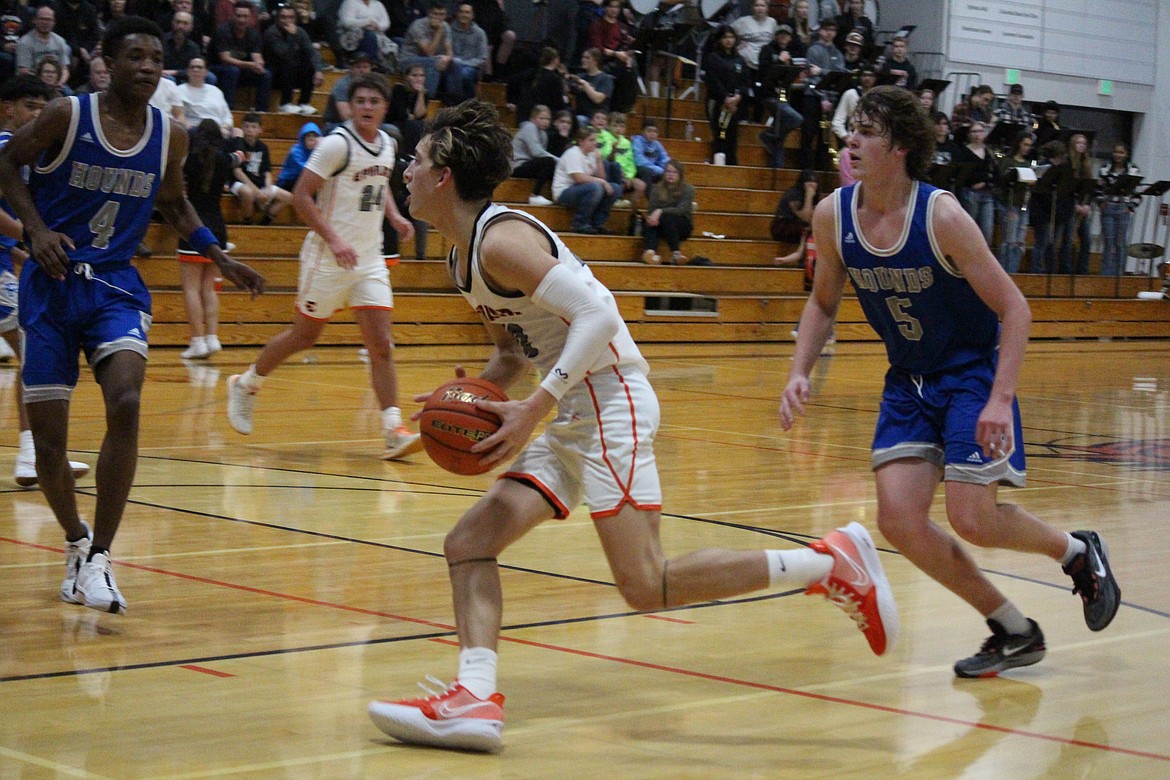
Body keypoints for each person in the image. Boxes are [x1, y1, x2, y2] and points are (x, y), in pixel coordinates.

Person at [367, 99, 898, 753]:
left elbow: (599, 314)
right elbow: (511, 352)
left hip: (609, 400)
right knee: (469, 542)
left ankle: (826, 563)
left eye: (416, 161)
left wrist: (535, 407)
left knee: (647, 584)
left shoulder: (502, 238)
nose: (407, 172)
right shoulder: (461, 255)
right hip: (571, 411)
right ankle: (475, 699)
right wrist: (455, 411)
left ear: (443, 174)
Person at [780, 85, 1120, 680]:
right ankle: (1014, 629)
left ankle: (1076, 551)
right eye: (852, 128)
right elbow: (822, 302)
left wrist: (999, 398)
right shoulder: (835, 213)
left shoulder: (940, 216)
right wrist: (798, 372)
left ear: (902, 147)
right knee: (899, 521)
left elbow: (1016, 309)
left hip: (970, 375)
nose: (852, 140)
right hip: (908, 381)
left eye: (868, 131)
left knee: (972, 516)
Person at [0, 15, 264, 614]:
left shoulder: (171, 135)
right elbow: (5, 164)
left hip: (115, 285)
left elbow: (173, 202)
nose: (147, 66)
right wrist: (36, 229)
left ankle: (101, 558)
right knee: (48, 444)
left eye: (156, 57)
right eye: (135, 56)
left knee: (126, 399)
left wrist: (222, 256)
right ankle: (74, 542)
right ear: (108, 62)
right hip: (51, 285)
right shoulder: (68, 115)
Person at [226, 73, 423, 462]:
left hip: (369, 260)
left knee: (382, 346)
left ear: (385, 107)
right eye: (360, 100)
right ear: (350, 106)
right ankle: (246, 384)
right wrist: (334, 239)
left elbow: (378, 190)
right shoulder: (336, 144)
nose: (367, 107)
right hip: (327, 258)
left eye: (374, 101)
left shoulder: (387, 144)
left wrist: (396, 217)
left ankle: (393, 429)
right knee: (304, 337)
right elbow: (300, 196)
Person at [0, 74, 92, 488]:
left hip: (5, 263)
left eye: (42, 104)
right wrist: (33, 234)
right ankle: (32, 454)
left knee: (32, 353)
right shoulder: (6, 147)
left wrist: (23, 249)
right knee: (34, 351)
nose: (37, 112)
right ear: (8, 109)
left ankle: (33, 453)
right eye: (29, 104)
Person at [178, 118, 244, 359]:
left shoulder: (190, 159)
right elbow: (240, 155)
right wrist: (235, 136)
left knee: (191, 288)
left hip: (193, 226)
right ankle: (212, 337)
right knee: (210, 287)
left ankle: (197, 341)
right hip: (218, 226)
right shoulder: (225, 160)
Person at [229, 112, 292, 224]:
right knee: (248, 193)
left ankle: (266, 220)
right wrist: (257, 192)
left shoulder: (263, 147)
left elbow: (267, 172)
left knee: (288, 197)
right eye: (246, 126)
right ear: (242, 128)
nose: (250, 130)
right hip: (239, 183)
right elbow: (237, 172)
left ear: (260, 130)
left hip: (259, 184)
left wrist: (268, 189)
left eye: (253, 127)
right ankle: (247, 222)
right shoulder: (238, 144)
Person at [552, 126, 616, 234]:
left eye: (595, 140)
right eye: (591, 140)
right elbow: (578, 178)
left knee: (615, 188)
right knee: (596, 187)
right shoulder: (573, 153)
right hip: (564, 192)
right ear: (581, 141)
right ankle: (579, 223)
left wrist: (599, 160)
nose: (595, 143)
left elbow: (602, 178)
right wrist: (603, 182)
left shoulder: (592, 154)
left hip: (581, 189)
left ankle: (598, 223)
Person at [210, 1, 271, 111]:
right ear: (233, 16)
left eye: (245, 16)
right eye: (238, 16)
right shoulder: (222, 31)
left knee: (266, 74)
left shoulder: (253, 33)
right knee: (233, 71)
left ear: (251, 18)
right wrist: (251, 64)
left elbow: (256, 55)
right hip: (218, 68)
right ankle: (229, 109)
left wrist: (259, 65)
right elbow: (225, 59)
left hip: (241, 70)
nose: (241, 20)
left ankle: (261, 111)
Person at [263, 3, 323, 115]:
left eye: (290, 17)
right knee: (288, 63)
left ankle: (304, 103)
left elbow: (312, 51)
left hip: (292, 73)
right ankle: (285, 103)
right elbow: (284, 54)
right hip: (274, 73)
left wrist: (319, 70)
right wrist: (292, 36)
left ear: (296, 19)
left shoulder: (299, 31)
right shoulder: (271, 32)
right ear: (277, 18)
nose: (287, 21)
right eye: (283, 17)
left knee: (308, 64)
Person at [703, 25, 748, 166]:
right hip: (717, 103)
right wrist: (725, 99)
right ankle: (718, 165)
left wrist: (738, 97)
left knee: (732, 136)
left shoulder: (740, 60)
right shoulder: (713, 58)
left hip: (735, 104)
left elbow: (745, 82)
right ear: (719, 40)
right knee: (720, 134)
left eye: (731, 37)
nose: (729, 40)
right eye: (725, 37)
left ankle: (730, 165)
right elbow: (713, 81)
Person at [1096, 142, 1140, 277]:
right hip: (1108, 208)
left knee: (1121, 243)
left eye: (1121, 152)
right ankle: (1106, 275)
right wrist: (1101, 202)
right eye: (1116, 152)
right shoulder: (1105, 168)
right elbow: (1098, 188)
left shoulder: (1133, 169)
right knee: (1109, 242)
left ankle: (1119, 274)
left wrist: (1131, 206)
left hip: (1123, 208)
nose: (1118, 155)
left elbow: (1137, 192)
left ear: (1126, 154)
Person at [641, 159, 694, 265]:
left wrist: (660, 211)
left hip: (682, 225)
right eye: (668, 172)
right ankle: (650, 253)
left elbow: (681, 210)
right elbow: (651, 209)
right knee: (650, 222)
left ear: (680, 174)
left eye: (674, 172)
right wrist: (653, 216)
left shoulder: (688, 189)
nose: (671, 175)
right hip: (661, 224)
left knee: (667, 217)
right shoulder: (656, 189)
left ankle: (676, 253)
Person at [995, 130, 1033, 273]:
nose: (1027, 148)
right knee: (1009, 242)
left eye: (1029, 145)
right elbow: (1002, 181)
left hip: (1024, 204)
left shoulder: (1030, 163)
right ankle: (1005, 272)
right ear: (1018, 144)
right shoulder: (1007, 160)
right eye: (1025, 144)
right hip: (1010, 204)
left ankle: (1014, 271)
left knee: (1020, 243)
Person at [400, 0, 452, 99]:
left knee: (455, 65)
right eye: (435, 14)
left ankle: (454, 102)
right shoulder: (418, 25)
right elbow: (429, 52)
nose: (438, 17)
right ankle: (428, 100)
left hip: (431, 60)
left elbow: (450, 52)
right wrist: (439, 31)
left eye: (441, 14)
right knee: (435, 63)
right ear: (429, 14)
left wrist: (447, 59)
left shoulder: (446, 26)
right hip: (409, 60)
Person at [956, 120, 997, 246]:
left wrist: (986, 182)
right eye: (974, 131)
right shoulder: (964, 152)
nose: (977, 134)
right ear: (969, 134)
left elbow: (996, 174)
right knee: (969, 229)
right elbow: (962, 174)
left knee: (987, 230)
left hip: (987, 194)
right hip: (970, 193)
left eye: (980, 131)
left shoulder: (989, 152)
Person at [511, 104, 558, 206]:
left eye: (547, 119)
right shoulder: (529, 127)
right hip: (518, 165)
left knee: (553, 166)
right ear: (533, 119)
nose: (545, 121)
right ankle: (535, 195)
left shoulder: (543, 134)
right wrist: (560, 160)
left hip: (529, 164)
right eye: (542, 118)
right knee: (549, 162)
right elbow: (537, 152)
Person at [770, 167, 818, 266]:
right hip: (784, 226)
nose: (812, 185)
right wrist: (784, 260)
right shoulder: (793, 194)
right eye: (808, 182)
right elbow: (805, 218)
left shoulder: (819, 233)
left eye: (814, 182)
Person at [176, 56, 233, 136]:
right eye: (192, 67)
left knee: (237, 133)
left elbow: (226, 115)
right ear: (188, 71)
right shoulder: (179, 90)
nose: (195, 70)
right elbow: (178, 116)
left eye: (199, 67)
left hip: (219, 130)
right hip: (195, 131)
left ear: (206, 72)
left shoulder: (216, 91)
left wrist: (225, 127)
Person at [444, 3, 486, 105]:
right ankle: (458, 105)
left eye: (467, 12)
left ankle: (464, 104)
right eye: (461, 12)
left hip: (470, 67)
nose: (464, 15)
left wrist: (463, 64)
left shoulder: (480, 33)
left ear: (472, 16)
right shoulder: (449, 29)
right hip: (451, 64)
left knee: (463, 75)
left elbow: (482, 58)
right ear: (457, 14)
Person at [274, 121, 321, 193]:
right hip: (287, 181)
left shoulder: (318, 150)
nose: (311, 139)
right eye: (308, 136)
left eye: (314, 136)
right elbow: (306, 169)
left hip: (302, 180)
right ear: (303, 138)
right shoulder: (296, 151)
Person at [631, 118, 669, 187]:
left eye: (655, 132)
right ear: (642, 132)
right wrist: (657, 169)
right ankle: (650, 195)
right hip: (639, 170)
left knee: (671, 172)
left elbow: (664, 158)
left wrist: (667, 168)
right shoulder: (637, 141)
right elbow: (639, 160)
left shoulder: (657, 144)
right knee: (647, 171)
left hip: (654, 170)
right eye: (649, 131)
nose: (652, 134)